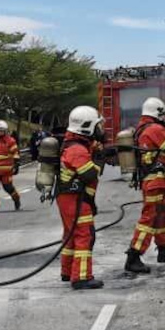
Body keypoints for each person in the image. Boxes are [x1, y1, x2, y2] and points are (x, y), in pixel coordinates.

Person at [124, 97, 165, 274]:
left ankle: (164, 250)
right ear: (157, 113)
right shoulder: (154, 129)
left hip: (154, 180)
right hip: (155, 180)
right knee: (149, 218)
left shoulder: (145, 128)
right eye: (163, 113)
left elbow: (163, 143)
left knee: (161, 215)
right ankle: (133, 257)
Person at [57, 106, 105, 290]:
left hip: (68, 197)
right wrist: (99, 159)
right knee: (85, 235)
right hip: (75, 199)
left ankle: (67, 271)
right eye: (97, 125)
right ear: (86, 127)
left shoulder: (74, 145)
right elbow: (89, 175)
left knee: (70, 236)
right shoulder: (77, 150)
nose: (100, 129)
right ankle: (82, 277)